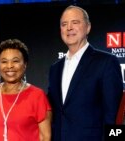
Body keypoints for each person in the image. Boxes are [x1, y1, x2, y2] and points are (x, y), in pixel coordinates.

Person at [47, 5, 123, 141]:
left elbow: (112, 115)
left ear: (88, 27)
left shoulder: (106, 62)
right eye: (64, 24)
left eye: (75, 22)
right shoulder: (55, 69)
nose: (69, 28)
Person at [0, 39, 52, 141]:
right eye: (4, 61)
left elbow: (45, 137)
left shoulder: (37, 96)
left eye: (15, 61)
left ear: (25, 64)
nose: (9, 66)